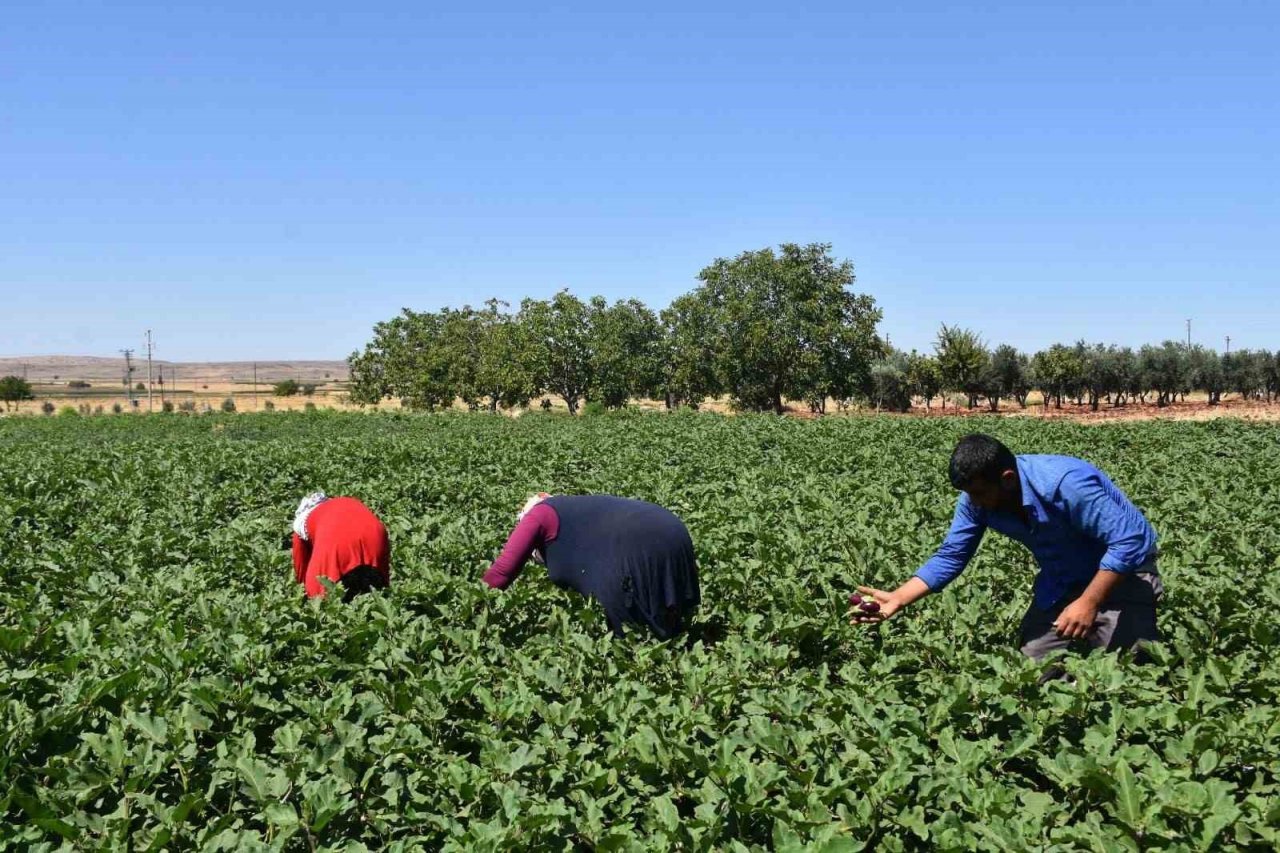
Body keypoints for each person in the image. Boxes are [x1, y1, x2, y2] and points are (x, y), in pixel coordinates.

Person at [853, 434, 1162, 663]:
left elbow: (1130, 540)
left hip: (1124, 576)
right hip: (1062, 579)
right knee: (1032, 669)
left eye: (978, 493)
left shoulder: (1065, 484)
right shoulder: (976, 499)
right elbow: (953, 554)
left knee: (1125, 667)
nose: (972, 502)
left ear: (1008, 479)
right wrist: (898, 598)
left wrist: (1089, 602)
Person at [483, 493, 701, 638]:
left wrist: (472, 600)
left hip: (641, 544)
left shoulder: (539, 514)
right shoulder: (577, 512)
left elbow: (503, 570)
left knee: (628, 643)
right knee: (672, 633)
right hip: (673, 530)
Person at [290, 491, 390, 602]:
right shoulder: (344, 501)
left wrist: (302, 593)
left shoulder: (301, 526)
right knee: (376, 586)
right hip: (376, 533)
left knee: (317, 593)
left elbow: (300, 564)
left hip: (336, 540)